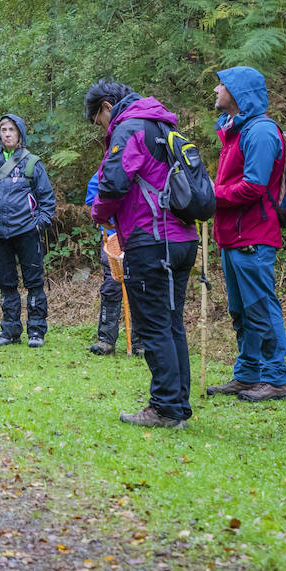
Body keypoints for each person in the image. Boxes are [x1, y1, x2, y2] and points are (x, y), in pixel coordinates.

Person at [86, 79, 199, 428]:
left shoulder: (130, 128)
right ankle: (177, 404)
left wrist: (98, 214)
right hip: (182, 236)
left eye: (98, 121)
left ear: (107, 106)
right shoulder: (163, 126)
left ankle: (164, 408)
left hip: (152, 239)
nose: (101, 129)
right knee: (172, 323)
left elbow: (113, 183)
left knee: (152, 326)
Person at [206, 66, 286, 403]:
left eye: (222, 85)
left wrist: (212, 196)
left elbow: (254, 186)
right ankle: (248, 374)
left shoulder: (261, 132)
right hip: (233, 236)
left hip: (254, 236)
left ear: (239, 93)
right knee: (240, 311)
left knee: (261, 307)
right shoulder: (235, 131)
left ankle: (275, 379)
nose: (216, 90)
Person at [0, 114, 56, 348]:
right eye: (3, 129)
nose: (7, 133)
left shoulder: (32, 163)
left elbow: (47, 201)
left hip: (26, 231)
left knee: (33, 282)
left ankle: (36, 332)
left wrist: (38, 224)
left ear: (20, 133)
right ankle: (9, 331)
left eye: (11, 129)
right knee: (6, 283)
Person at [83, 172, 143, 357]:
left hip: (141, 234)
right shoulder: (109, 166)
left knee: (141, 286)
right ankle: (106, 340)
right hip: (112, 236)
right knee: (111, 285)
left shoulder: (145, 161)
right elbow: (93, 196)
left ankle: (141, 342)